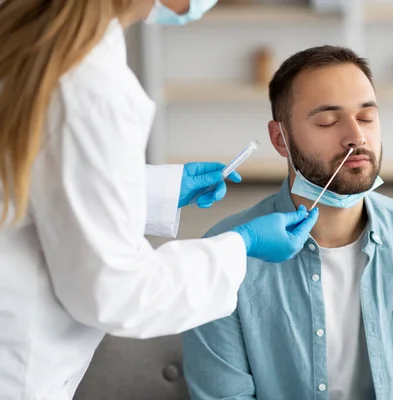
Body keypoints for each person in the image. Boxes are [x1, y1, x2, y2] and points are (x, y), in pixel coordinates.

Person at [0, 1, 318, 399]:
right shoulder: (90, 86)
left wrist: (153, 189)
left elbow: (34, 181)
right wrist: (242, 246)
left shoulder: (32, 40)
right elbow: (115, 292)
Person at [182, 45, 393, 399]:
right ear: (279, 139)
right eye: (328, 121)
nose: (356, 137)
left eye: (366, 117)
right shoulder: (227, 252)